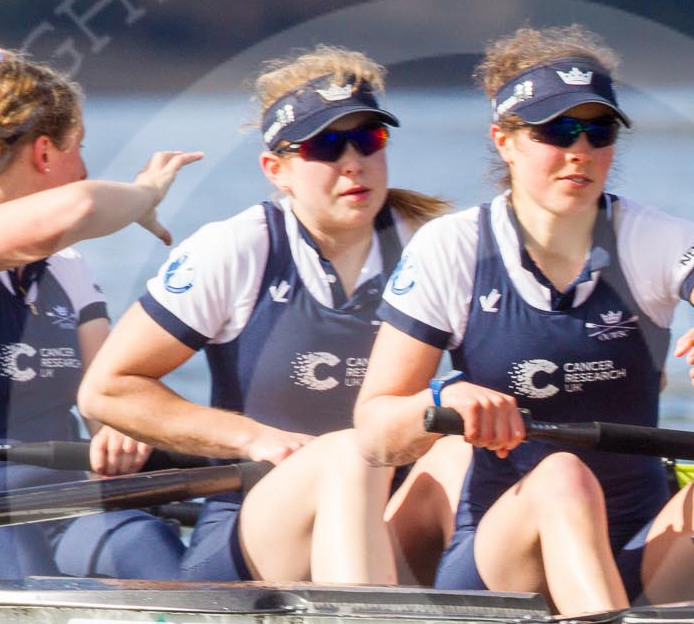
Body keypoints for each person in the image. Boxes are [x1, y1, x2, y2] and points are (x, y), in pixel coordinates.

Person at [354, 25, 694, 616]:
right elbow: (372, 430)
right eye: (556, 131)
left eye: (599, 131)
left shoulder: (649, 238)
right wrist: (446, 396)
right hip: (506, 562)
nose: (580, 150)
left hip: (640, 550)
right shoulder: (454, 249)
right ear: (505, 141)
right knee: (562, 474)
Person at [79, 46, 465, 585]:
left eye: (368, 139)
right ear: (276, 169)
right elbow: (106, 390)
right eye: (326, 145)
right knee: (349, 456)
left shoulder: (435, 246)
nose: (352, 162)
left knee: (459, 455)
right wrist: (250, 438)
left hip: (390, 517)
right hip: (256, 522)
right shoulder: (239, 249)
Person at [0, 51, 195, 579]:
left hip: (64, 516)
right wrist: (145, 195)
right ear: (45, 153)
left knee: (142, 539)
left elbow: (108, 393)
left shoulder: (66, 267)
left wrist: (119, 429)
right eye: (79, 148)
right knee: (15, 544)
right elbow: (82, 207)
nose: (85, 166)